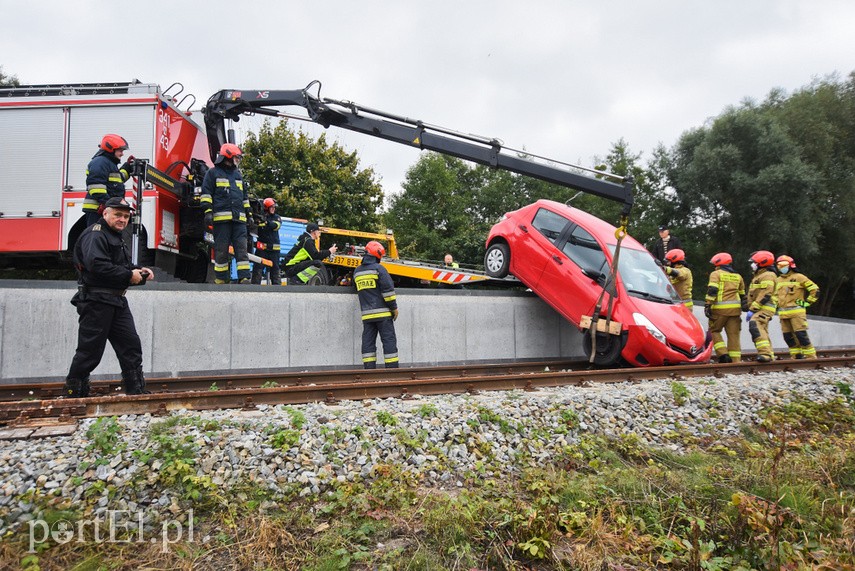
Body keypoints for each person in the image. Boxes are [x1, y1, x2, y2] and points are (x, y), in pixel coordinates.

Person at [63, 197, 154, 397]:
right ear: (105, 214)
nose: (122, 219)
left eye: (126, 216)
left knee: (130, 346)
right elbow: (97, 265)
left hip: (117, 300)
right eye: (118, 215)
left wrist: (138, 270)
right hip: (97, 301)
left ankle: (136, 391)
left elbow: (117, 265)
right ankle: (74, 393)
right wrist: (129, 275)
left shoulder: (114, 235)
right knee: (90, 351)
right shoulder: (95, 235)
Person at [200, 143, 251, 284]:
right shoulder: (212, 173)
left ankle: (244, 277)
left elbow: (244, 197)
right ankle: (221, 279)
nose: (237, 160)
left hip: (239, 220)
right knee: (221, 250)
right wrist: (208, 212)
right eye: (236, 157)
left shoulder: (238, 175)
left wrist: (249, 214)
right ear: (227, 156)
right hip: (221, 221)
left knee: (242, 249)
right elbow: (206, 194)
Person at [354, 241, 399, 369]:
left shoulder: (357, 272)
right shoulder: (379, 269)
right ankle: (392, 371)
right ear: (378, 255)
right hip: (384, 314)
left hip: (367, 316)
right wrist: (394, 308)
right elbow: (388, 291)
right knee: (388, 341)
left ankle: (369, 370)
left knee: (368, 343)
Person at [82, 134, 135, 227]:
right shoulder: (100, 162)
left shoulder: (108, 163)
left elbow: (118, 180)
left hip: (103, 208)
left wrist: (127, 167)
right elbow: (96, 186)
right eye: (120, 150)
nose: (122, 153)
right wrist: (108, 204)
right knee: (97, 236)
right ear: (111, 149)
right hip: (98, 209)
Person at [775, 255, 820, 359]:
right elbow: (774, 296)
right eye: (779, 265)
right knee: (788, 337)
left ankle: (810, 356)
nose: (782, 267)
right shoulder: (777, 280)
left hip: (797, 314)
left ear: (791, 265)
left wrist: (806, 303)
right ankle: (796, 356)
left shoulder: (799, 277)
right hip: (783, 314)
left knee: (801, 335)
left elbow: (815, 290)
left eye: (784, 265)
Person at [704, 252, 746, 363]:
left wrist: (708, 304)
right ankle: (735, 360)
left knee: (714, 331)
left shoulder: (716, 274)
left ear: (718, 263)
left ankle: (723, 355)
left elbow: (712, 290)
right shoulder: (738, 276)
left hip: (719, 310)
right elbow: (742, 295)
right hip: (735, 312)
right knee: (734, 335)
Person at [745, 250, 778, 362]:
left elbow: (766, 294)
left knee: (755, 324)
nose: (752, 265)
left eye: (754, 262)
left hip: (764, 307)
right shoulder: (760, 275)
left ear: (762, 263)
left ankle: (765, 354)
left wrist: (753, 308)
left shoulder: (767, 275)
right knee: (762, 329)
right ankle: (770, 354)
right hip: (761, 307)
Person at [251, 197, 282, 285]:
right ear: (266, 208)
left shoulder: (277, 217)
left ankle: (277, 289)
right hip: (262, 249)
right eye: (272, 207)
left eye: (274, 207)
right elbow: (255, 227)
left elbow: (276, 225)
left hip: (274, 251)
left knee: (275, 271)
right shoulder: (260, 217)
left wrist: (266, 222)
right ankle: (255, 288)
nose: (273, 209)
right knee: (257, 269)